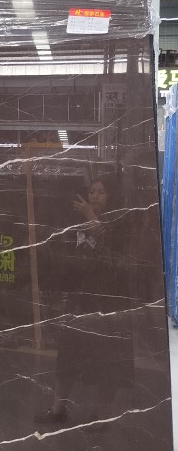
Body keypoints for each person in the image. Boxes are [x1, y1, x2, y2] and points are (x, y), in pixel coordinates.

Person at [35, 174, 134, 427]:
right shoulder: (79, 222)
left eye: (101, 192)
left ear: (111, 196)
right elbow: (73, 255)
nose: (94, 197)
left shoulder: (120, 222)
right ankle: (58, 409)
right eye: (91, 192)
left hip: (109, 302)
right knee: (68, 355)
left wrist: (91, 215)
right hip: (82, 299)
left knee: (107, 362)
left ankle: (102, 416)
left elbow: (111, 255)